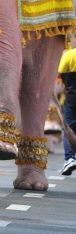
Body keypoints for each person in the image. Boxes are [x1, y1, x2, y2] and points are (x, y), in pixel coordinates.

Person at [59, 46, 76, 175]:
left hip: (71, 98)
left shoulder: (68, 55)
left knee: (69, 129)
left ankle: (69, 159)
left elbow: (62, 79)